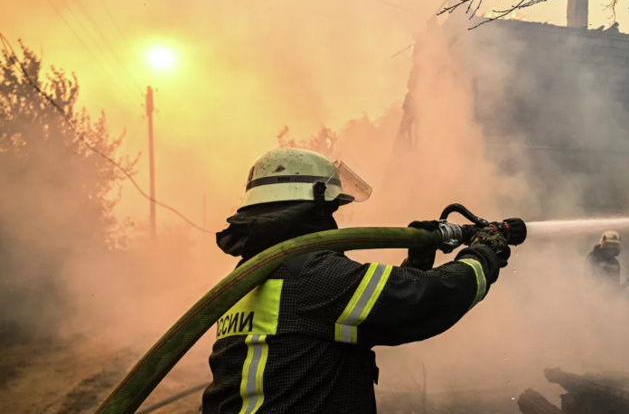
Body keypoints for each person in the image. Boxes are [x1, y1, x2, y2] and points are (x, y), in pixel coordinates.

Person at [202, 148, 512, 414]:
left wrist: (417, 262)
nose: (334, 222)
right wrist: (483, 256)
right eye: (331, 209)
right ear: (311, 208)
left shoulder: (249, 276)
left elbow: (364, 314)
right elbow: (417, 302)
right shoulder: (309, 274)